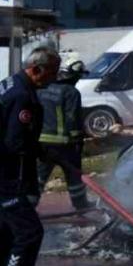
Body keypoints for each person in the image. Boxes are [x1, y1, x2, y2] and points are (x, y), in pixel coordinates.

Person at [0, 47, 61, 266]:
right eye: (51, 72)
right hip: (6, 178)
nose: (53, 77)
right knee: (28, 233)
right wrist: (37, 151)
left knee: (6, 235)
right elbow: (14, 143)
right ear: (36, 69)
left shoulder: (9, 84)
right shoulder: (23, 96)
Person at [35, 57, 92, 211]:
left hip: (42, 145)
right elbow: (72, 120)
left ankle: (27, 207)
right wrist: (79, 141)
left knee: (38, 179)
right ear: (72, 75)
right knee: (74, 178)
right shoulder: (71, 92)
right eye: (78, 76)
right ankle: (81, 206)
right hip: (65, 145)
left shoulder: (42, 89)